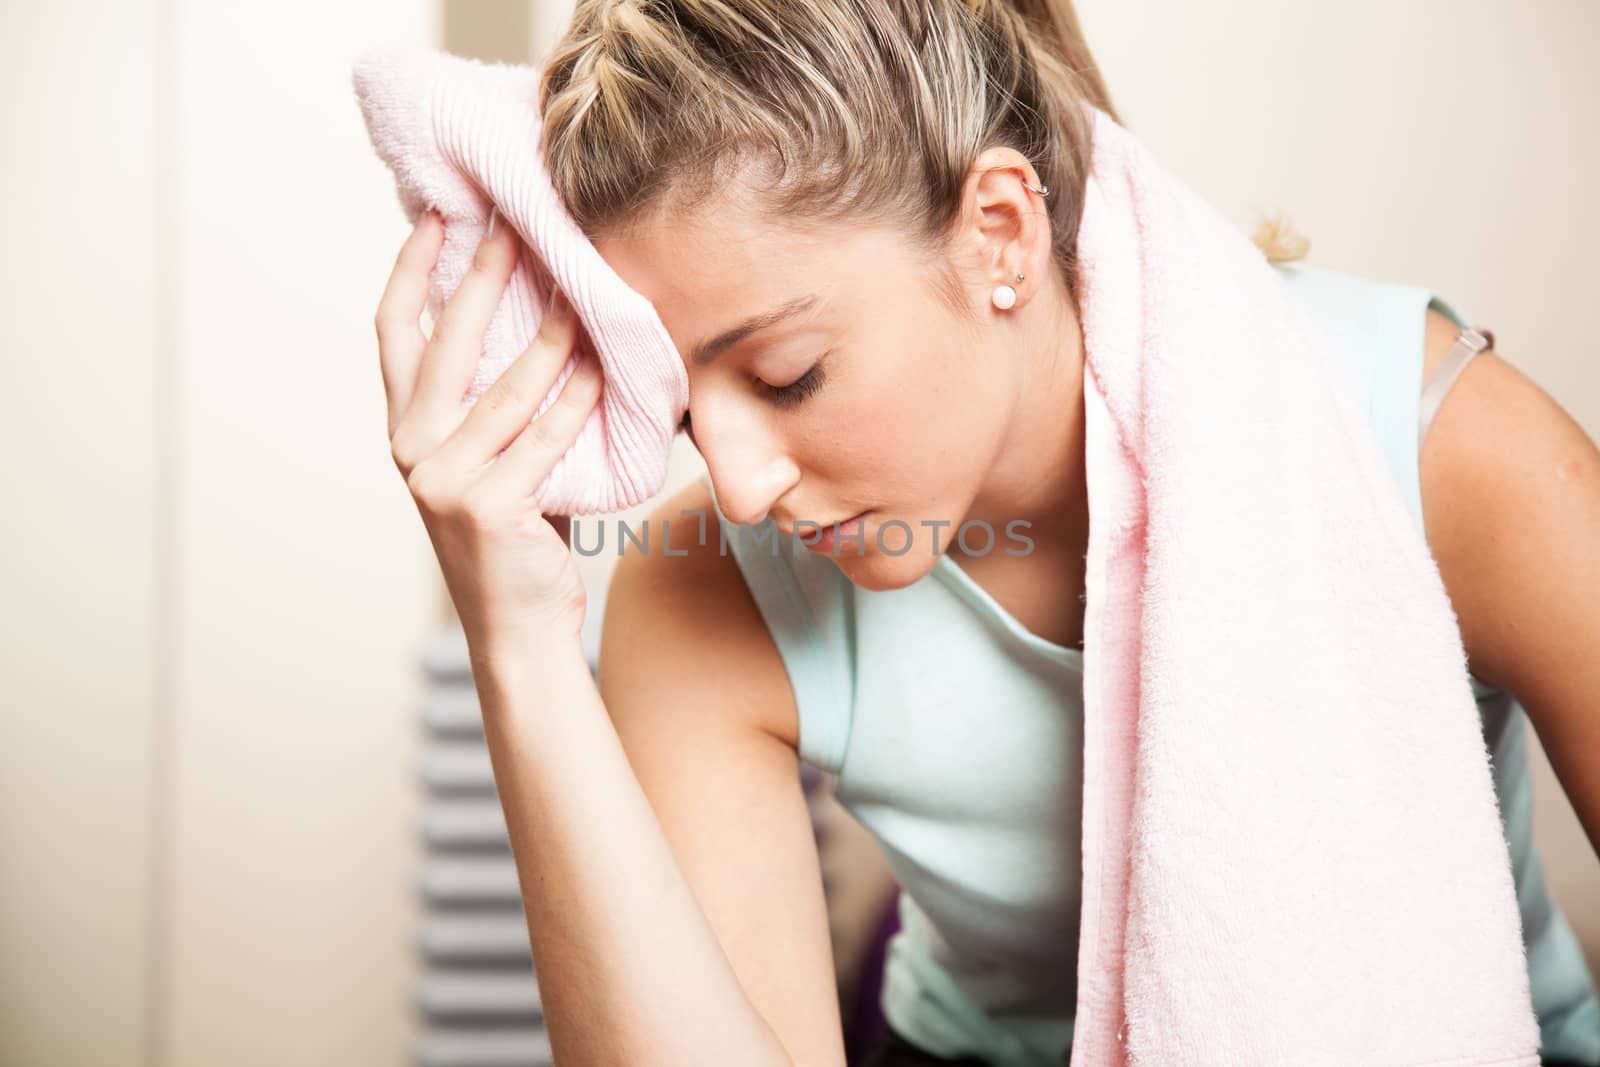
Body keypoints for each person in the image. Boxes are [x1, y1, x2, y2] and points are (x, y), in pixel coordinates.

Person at [371, 2, 1600, 1064]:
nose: (737, 487)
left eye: (789, 372)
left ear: (999, 232)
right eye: (687, 403)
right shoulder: (708, 592)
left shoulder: (1441, 450)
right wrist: (518, 642)